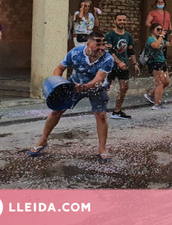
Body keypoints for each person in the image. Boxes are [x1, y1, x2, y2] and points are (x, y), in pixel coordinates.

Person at [29, 32, 114, 160]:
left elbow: (98, 79)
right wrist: (57, 84)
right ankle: (43, 140)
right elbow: (59, 68)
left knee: (101, 115)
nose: (102, 47)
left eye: (103, 44)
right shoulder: (76, 52)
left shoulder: (108, 59)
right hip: (74, 84)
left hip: (96, 87)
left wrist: (85, 87)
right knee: (57, 110)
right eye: (98, 44)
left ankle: (102, 148)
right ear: (88, 44)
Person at [105, 13, 139, 119]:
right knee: (106, 87)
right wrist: (118, 62)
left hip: (124, 66)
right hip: (111, 65)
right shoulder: (110, 34)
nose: (122, 22)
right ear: (115, 21)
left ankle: (117, 111)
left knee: (124, 88)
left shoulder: (128, 35)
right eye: (120, 20)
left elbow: (130, 50)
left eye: (124, 20)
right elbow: (109, 50)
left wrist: (135, 63)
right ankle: (100, 108)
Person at [144, 23, 172, 110]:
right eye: (158, 29)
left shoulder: (160, 39)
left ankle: (150, 94)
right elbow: (156, 46)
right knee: (160, 83)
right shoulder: (150, 39)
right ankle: (157, 104)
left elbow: (171, 45)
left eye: (161, 29)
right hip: (154, 62)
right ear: (152, 30)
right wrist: (161, 36)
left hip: (162, 62)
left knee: (166, 82)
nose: (160, 31)